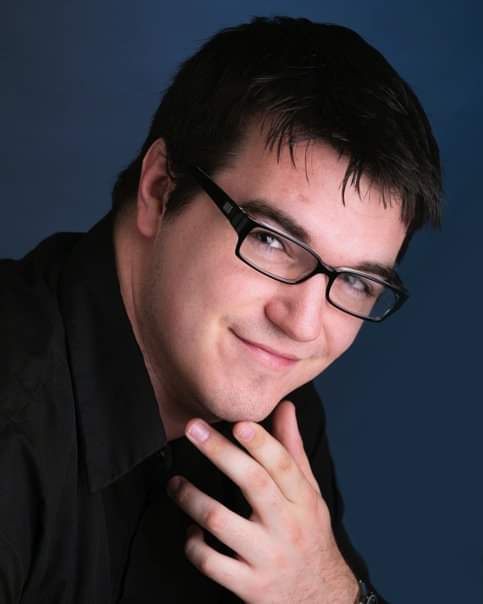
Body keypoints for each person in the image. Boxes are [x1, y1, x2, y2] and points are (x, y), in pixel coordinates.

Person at [0, 16, 441, 604]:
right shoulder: (14, 412)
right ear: (160, 189)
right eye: (272, 240)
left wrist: (329, 593)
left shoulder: (277, 413)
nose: (303, 326)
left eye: (358, 282)